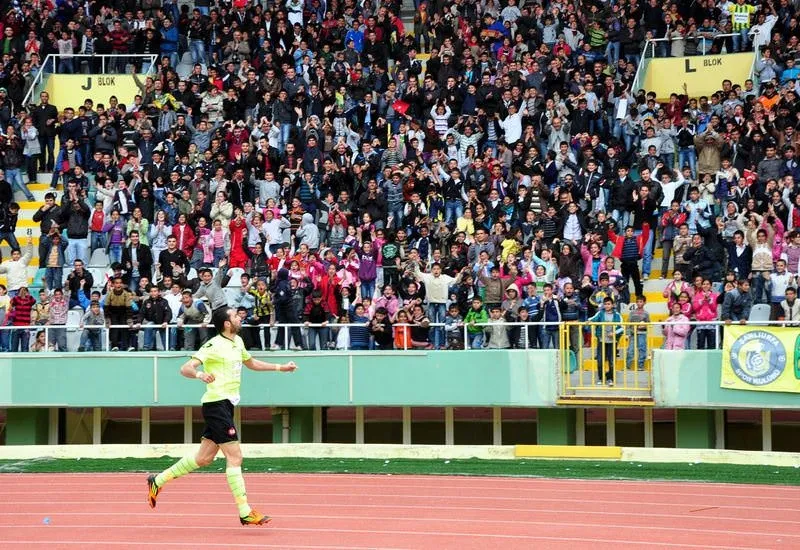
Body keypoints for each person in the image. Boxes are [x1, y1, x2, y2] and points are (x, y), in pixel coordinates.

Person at [147, 307, 297, 525]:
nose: (240, 317)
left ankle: (157, 481)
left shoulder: (238, 342)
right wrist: (200, 374)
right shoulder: (213, 345)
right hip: (216, 404)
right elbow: (185, 368)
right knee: (235, 457)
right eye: (235, 316)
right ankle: (245, 512)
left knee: (204, 458)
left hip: (225, 405)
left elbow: (252, 363)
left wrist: (280, 368)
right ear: (227, 324)